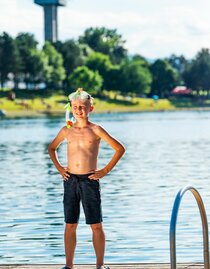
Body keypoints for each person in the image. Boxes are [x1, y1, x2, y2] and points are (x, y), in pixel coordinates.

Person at [48, 88, 125, 269]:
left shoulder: (96, 129)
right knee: (70, 225)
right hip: (70, 181)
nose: (78, 110)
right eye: (75, 107)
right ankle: (69, 266)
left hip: (90, 180)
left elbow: (119, 149)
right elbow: (52, 148)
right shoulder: (66, 130)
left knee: (96, 225)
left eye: (82, 107)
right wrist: (60, 168)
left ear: (90, 108)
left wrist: (105, 171)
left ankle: (100, 265)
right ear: (71, 108)